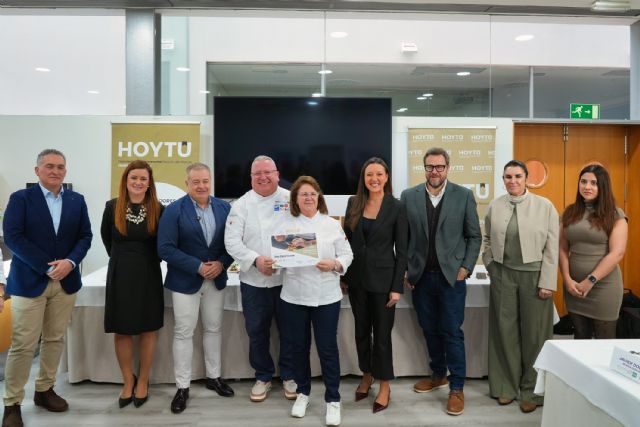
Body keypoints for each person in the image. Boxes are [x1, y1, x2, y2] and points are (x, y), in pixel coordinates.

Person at [2, 149, 92, 427]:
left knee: (54, 340)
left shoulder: (76, 200)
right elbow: (13, 237)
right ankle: (12, 403)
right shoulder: (21, 198)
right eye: (49, 166)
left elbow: (85, 236)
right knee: (23, 345)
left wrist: (70, 262)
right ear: (37, 170)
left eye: (60, 167)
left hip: (66, 282)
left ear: (66, 171)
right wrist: (47, 266)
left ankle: (44, 390)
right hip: (29, 282)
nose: (55, 171)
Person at [400, 147, 481, 416]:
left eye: (439, 167)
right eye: (430, 167)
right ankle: (438, 375)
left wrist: (465, 267)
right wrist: (408, 270)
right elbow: (404, 238)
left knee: (451, 331)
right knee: (429, 329)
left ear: (448, 168)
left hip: (451, 279)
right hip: (421, 278)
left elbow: (474, 236)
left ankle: (456, 387)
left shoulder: (463, 195)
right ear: (424, 168)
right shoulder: (409, 196)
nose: (434, 171)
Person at [157, 163, 235, 415]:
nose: (201, 186)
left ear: (211, 181)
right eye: (196, 181)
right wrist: (198, 267)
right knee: (183, 332)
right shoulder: (173, 210)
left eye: (205, 181)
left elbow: (234, 243)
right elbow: (165, 248)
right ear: (187, 183)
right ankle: (182, 387)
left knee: (214, 329)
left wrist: (221, 263)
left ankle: (214, 377)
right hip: (185, 282)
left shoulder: (225, 208)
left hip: (216, 279)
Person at [482, 160, 558, 413]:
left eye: (517, 176)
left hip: (534, 277)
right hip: (502, 275)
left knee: (535, 335)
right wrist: (490, 265)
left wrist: (548, 282)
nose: (512, 181)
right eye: (508, 176)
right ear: (503, 179)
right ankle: (505, 386)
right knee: (504, 332)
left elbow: (552, 248)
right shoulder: (495, 205)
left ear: (526, 179)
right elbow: (487, 239)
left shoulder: (545, 206)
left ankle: (532, 391)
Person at [278, 176, 353, 426]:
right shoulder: (285, 225)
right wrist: (275, 262)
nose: (309, 198)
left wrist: (335, 264)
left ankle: (333, 399)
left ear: (319, 197)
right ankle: (303, 393)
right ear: (295, 199)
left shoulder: (331, 224)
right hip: (294, 296)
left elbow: (347, 254)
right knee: (298, 347)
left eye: (312, 193)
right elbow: (278, 260)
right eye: (303, 194)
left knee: (327, 348)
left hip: (326, 296)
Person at [224, 155, 296, 402]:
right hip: (254, 282)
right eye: (257, 174)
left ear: (277, 174)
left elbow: (303, 232)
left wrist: (281, 260)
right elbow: (232, 242)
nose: (263, 177)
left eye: (268, 172)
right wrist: (256, 260)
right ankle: (263, 376)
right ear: (251, 177)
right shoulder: (241, 205)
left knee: (290, 331)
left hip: (288, 280)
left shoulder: (291, 199)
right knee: (256, 331)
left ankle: (289, 375)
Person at [341, 157, 407, 413]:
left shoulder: (396, 207)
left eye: (379, 174)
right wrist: (343, 277)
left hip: (384, 283)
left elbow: (402, 251)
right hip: (356, 281)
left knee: (381, 337)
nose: (374, 179)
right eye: (369, 174)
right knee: (360, 332)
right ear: (364, 178)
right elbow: (346, 243)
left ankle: (384, 384)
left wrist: (397, 287)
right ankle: (366, 375)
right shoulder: (353, 203)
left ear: (387, 177)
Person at [100, 160, 164, 408]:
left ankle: (143, 380)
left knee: (148, 329)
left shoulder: (158, 209)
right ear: (126, 181)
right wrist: (123, 261)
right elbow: (107, 240)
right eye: (133, 178)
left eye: (143, 179)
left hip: (148, 273)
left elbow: (161, 245)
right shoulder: (112, 207)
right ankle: (128, 380)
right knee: (122, 329)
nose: (138, 182)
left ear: (149, 183)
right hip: (120, 273)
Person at [560, 164, 628, 340]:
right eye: (583, 182)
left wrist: (590, 281)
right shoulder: (569, 212)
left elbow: (617, 253)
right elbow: (562, 248)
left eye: (594, 183)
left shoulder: (615, 214)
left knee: (604, 340)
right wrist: (567, 279)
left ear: (603, 186)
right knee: (580, 337)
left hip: (604, 287)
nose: (587, 187)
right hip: (574, 287)